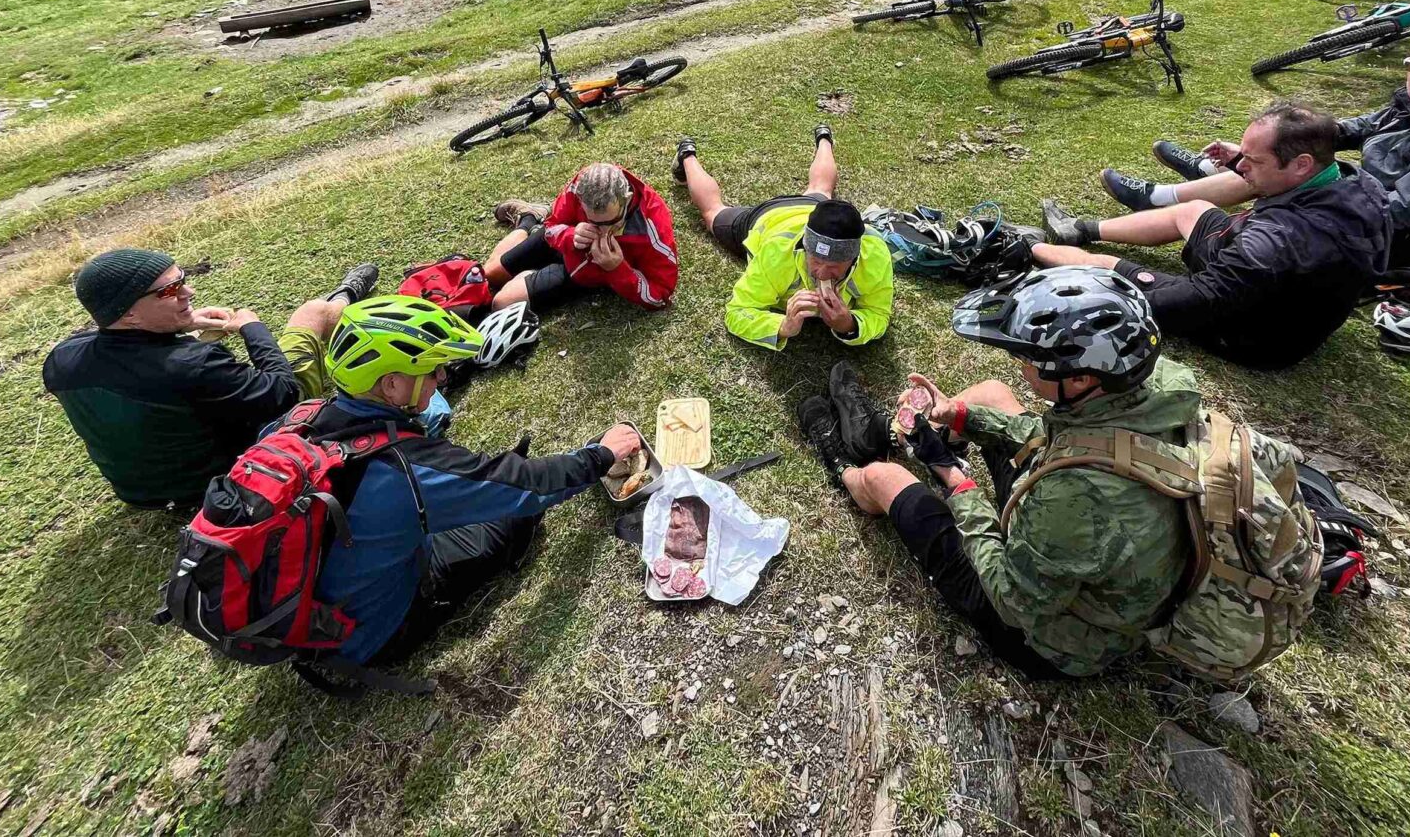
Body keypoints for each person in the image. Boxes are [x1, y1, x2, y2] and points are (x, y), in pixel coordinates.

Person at [798, 267, 1199, 678]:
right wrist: (957, 415)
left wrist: (956, 481)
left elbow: (1012, 599)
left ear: (1079, 378)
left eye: (1027, 359)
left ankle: (843, 464)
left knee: (885, 478)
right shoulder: (1152, 390)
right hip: (1094, 553)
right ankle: (887, 435)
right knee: (991, 395)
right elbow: (1068, 438)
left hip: (1053, 635)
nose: (1021, 366)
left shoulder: (1074, 496)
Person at [275, 294, 642, 667]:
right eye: (431, 370)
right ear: (391, 385)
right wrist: (601, 456)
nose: (441, 377)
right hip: (367, 632)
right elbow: (526, 487)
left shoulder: (298, 421)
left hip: (304, 602)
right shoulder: (406, 471)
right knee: (510, 519)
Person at [1097, 30, 1410, 269]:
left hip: (1390, 247)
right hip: (1365, 210)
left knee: (1287, 169)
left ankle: (1179, 194)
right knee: (1284, 159)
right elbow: (1355, 129)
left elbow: (1399, 215)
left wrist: (1308, 177)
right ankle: (1196, 183)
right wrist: (1283, 145)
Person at [1037, 101, 1391, 369]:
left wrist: (1121, 293)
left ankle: (1027, 245)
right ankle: (1082, 229)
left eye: (1254, 161)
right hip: (1299, 308)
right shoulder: (1356, 182)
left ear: (1301, 164)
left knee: (1108, 268)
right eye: (1243, 156)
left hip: (1255, 335)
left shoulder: (1271, 245)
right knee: (1192, 209)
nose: (1240, 168)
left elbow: (1193, 303)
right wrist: (1247, 160)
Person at [43, 248, 379, 508]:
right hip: (229, 480)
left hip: (142, 495)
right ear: (129, 312)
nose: (187, 292)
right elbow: (283, 393)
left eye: (182, 279)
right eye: (169, 290)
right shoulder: (194, 364)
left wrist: (182, 323)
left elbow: (129, 358)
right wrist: (252, 327)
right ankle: (345, 297)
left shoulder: (62, 359)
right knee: (312, 313)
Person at [674, 125, 894, 349]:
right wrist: (782, 326)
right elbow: (736, 312)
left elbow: (880, 313)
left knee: (821, 189)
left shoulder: (874, 255)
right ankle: (687, 155)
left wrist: (850, 325)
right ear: (804, 247)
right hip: (769, 218)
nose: (821, 273)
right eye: (816, 260)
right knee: (713, 212)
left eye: (834, 266)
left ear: (855, 256)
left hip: (813, 207)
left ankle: (824, 137)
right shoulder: (776, 254)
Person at [484, 162, 677, 313]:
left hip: (580, 273)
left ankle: (529, 261)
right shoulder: (580, 185)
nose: (602, 231)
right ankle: (528, 219)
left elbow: (660, 295)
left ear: (626, 199)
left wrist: (617, 269)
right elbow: (552, 225)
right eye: (593, 222)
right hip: (562, 244)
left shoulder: (652, 225)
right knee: (490, 275)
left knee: (501, 303)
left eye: (612, 221)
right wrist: (570, 234)